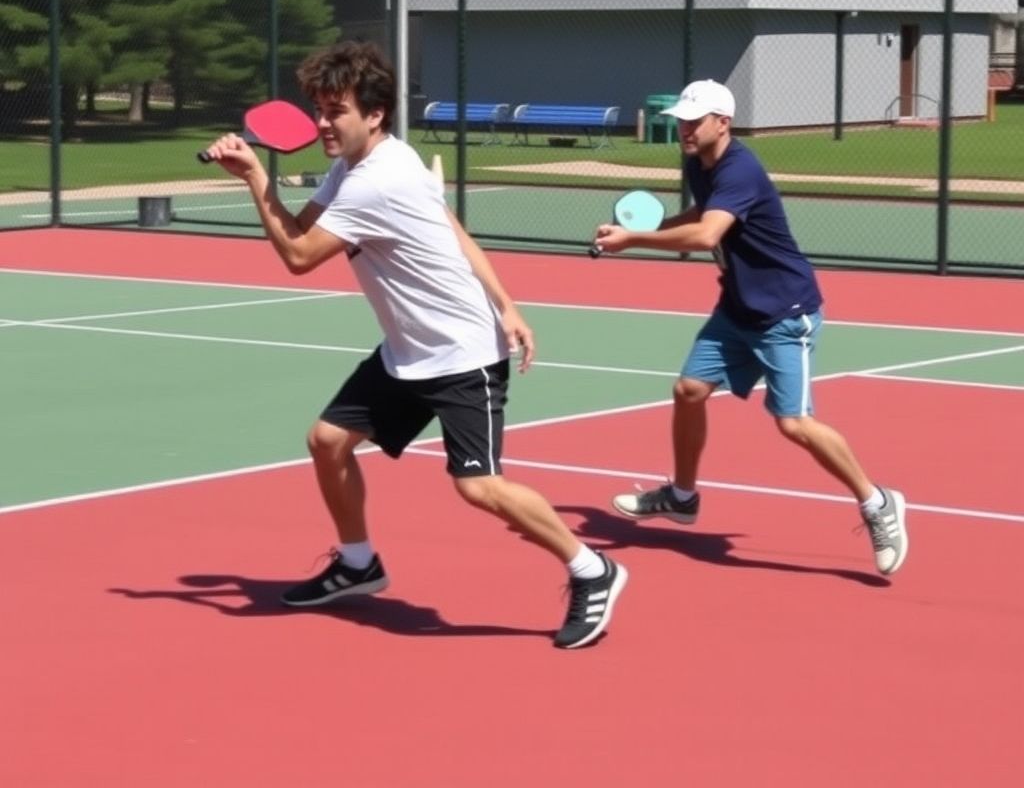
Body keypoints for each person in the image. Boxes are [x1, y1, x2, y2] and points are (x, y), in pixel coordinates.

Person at [202, 40, 627, 648]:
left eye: (337, 110)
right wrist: (508, 304)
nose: (323, 122)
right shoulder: (365, 164)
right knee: (328, 441)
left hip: (460, 355)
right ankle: (357, 564)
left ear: (374, 114)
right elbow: (450, 229)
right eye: (319, 108)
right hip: (409, 352)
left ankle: (594, 569)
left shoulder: (377, 181)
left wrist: (254, 177)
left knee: (479, 486)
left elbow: (298, 255)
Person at [593, 79, 908, 576]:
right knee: (689, 390)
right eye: (682, 120)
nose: (685, 129)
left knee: (793, 423)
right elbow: (702, 212)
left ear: (724, 122)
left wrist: (634, 239)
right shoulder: (700, 164)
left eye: (695, 121)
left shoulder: (741, 169)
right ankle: (682, 496)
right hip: (737, 307)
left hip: (785, 312)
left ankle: (877, 503)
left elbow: (705, 234)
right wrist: (645, 231)